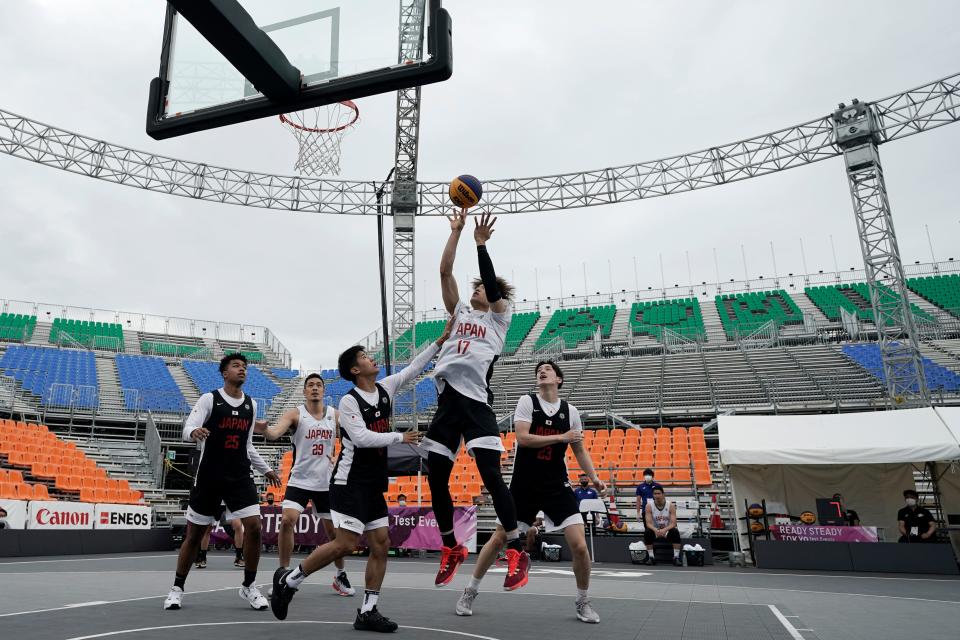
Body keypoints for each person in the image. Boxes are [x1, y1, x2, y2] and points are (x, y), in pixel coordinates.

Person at [271, 322, 452, 632]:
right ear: (356, 369)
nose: (372, 358)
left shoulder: (387, 388)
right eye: (366, 356)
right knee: (345, 543)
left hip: (372, 482)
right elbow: (362, 437)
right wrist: (399, 438)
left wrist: (440, 340)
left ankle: (368, 610)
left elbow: (414, 368)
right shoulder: (349, 402)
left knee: (381, 544)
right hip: (348, 481)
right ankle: (290, 580)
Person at [421, 209, 528, 591]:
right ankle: (451, 546)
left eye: (482, 286)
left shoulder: (499, 318)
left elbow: (493, 291)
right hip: (448, 403)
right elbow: (444, 273)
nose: (476, 289)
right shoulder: (461, 311)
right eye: (477, 286)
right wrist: (457, 232)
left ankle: (516, 547)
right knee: (436, 477)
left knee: (490, 475)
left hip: (477, 404)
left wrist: (480, 246)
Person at [455, 360, 604, 623]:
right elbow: (523, 438)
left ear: (558, 379)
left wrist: (594, 478)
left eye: (547, 370)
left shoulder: (570, 411)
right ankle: (470, 591)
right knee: (499, 538)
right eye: (539, 371)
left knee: (580, 546)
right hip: (524, 484)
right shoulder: (527, 402)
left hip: (557, 484)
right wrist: (560, 438)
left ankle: (583, 602)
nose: (542, 372)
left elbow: (579, 450)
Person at [164, 353, 280, 611]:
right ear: (224, 373)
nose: (242, 370)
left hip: (239, 475)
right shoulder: (210, 399)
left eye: (245, 367)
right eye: (236, 366)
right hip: (209, 475)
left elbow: (247, 445)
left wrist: (266, 469)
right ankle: (177, 588)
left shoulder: (251, 405)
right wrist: (194, 432)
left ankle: (249, 585)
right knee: (194, 535)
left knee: (254, 527)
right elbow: (188, 427)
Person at [255, 373, 355, 597]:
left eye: (319, 385)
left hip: (326, 482)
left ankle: (340, 575)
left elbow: (354, 438)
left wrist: (340, 459)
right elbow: (274, 433)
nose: (315, 388)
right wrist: (264, 430)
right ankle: (283, 574)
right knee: (288, 520)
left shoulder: (334, 415)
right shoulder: (295, 414)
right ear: (304, 391)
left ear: (324, 390)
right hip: (300, 479)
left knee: (334, 534)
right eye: (310, 385)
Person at [644, 486, 683, 566]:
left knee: (675, 531)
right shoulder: (649, 506)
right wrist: (655, 530)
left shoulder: (670, 505)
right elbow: (648, 523)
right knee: (647, 532)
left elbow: (673, 523)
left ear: (663, 494)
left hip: (667, 530)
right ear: (653, 495)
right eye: (655, 494)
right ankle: (651, 557)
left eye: (659, 493)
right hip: (656, 530)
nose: (657, 495)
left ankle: (676, 557)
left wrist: (665, 530)